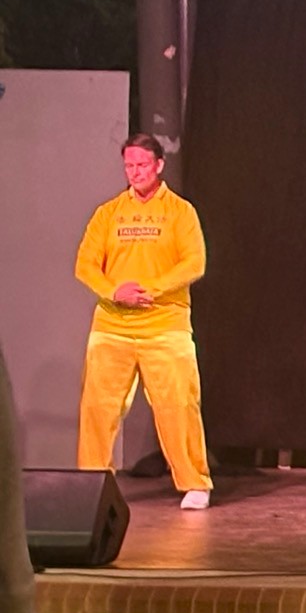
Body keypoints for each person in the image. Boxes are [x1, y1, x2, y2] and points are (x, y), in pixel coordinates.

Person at [75, 134, 213, 510]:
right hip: (112, 326)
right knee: (98, 408)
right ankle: (92, 485)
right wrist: (113, 291)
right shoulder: (108, 213)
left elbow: (194, 262)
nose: (135, 172)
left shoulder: (180, 212)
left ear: (159, 165)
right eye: (129, 166)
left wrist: (151, 289)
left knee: (179, 404)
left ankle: (194, 482)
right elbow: (85, 264)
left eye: (142, 165)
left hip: (165, 324)